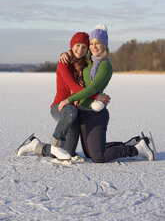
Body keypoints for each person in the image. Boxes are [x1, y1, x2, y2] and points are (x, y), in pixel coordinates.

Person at [58, 24, 156, 162]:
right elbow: (75, 55)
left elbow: (92, 89)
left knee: (98, 157)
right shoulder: (89, 62)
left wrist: (68, 100)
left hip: (95, 113)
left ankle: (135, 149)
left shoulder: (104, 65)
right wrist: (64, 53)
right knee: (89, 153)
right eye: (91, 43)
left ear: (104, 44)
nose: (93, 46)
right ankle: (135, 142)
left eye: (97, 43)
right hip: (83, 111)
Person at [15, 32, 109, 161]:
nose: (80, 50)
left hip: (74, 111)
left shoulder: (86, 65)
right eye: (77, 45)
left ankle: (35, 146)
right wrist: (96, 96)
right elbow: (74, 87)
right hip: (60, 106)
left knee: (68, 153)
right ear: (72, 45)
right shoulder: (64, 63)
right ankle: (56, 143)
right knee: (71, 111)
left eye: (84, 47)